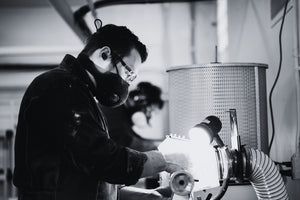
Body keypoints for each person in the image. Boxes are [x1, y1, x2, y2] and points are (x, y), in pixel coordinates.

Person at [13, 20, 183, 200]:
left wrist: (146, 195)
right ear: (104, 54)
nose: (126, 83)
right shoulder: (61, 87)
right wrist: (163, 160)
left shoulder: (82, 96)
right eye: (128, 73)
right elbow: (101, 160)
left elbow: (91, 177)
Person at [101, 82, 164, 152]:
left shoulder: (123, 112)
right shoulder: (112, 109)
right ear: (139, 101)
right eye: (150, 111)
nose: (149, 116)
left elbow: (134, 137)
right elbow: (126, 142)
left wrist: (160, 143)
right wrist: (158, 146)